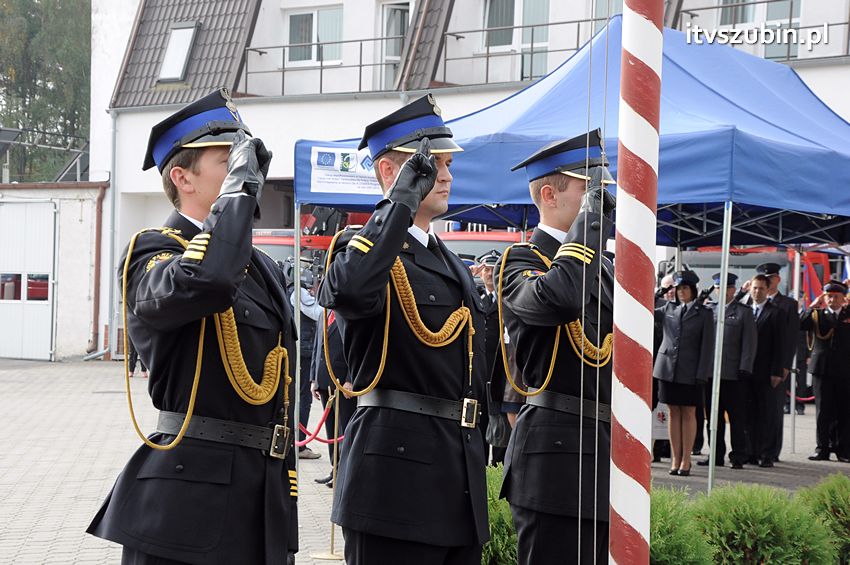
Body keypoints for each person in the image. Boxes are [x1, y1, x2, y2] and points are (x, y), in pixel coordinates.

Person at [87, 89, 298, 564]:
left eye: (246, 160)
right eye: (228, 159)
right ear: (181, 177)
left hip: (259, 495)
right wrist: (239, 193)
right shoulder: (152, 251)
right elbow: (209, 279)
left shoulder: (260, 265)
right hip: (188, 502)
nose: (245, 171)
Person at [317, 94, 489, 564]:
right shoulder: (360, 246)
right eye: (434, 164)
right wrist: (398, 205)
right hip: (395, 484)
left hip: (457, 479)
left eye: (449, 164)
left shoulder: (449, 260)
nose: (448, 175)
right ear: (393, 173)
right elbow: (348, 291)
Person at [497, 129, 615, 564]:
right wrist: (587, 229)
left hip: (604, 452)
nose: (603, 201)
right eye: (591, 191)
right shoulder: (523, 261)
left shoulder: (602, 266)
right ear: (550, 193)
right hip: (554, 461)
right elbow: (560, 298)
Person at [654, 270, 714, 476]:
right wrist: (660, 291)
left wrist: (702, 374)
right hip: (668, 369)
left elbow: (707, 347)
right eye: (678, 288)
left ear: (693, 290)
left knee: (688, 413)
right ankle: (675, 458)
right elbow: (648, 306)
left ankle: (686, 460)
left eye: (685, 288)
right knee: (673, 412)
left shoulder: (704, 313)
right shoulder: (668, 307)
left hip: (691, 371)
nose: (681, 292)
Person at [697, 273, 756, 469]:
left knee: (737, 418)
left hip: (734, 374)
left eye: (728, 288)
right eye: (719, 288)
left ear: (733, 289)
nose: (723, 291)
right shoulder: (708, 310)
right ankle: (716, 455)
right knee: (713, 418)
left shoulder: (743, 312)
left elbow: (749, 342)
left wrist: (745, 368)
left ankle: (738, 455)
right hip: (711, 374)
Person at [800, 280, 850, 463]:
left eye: (836, 296)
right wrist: (812, 305)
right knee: (823, 411)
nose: (832, 299)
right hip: (822, 369)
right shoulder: (816, 315)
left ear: (843, 297)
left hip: (845, 369)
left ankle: (843, 449)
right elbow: (799, 323)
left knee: (844, 410)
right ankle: (822, 448)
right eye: (829, 296)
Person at [310, 304, 356, 486]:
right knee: (331, 431)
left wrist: (351, 378)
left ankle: (344, 473)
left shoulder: (349, 311)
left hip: (342, 382)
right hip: (324, 379)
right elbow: (317, 345)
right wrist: (314, 378)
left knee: (343, 430)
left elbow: (355, 346)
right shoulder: (325, 313)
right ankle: (334, 468)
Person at [742, 274, 785, 467]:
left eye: (761, 288)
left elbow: (780, 345)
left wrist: (777, 371)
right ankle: (751, 452)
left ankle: (767, 454)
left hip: (767, 372)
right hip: (746, 371)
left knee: (767, 414)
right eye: (754, 288)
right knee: (749, 413)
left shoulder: (776, 312)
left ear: (768, 291)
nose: (757, 292)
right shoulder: (744, 310)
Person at [474, 250, 511, 465]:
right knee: (479, 423)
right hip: (480, 372)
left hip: (501, 373)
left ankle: (497, 470)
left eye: (493, 269)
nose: (489, 274)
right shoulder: (476, 299)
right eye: (486, 269)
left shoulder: (507, 299)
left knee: (500, 430)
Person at [291, 265, 322, 460]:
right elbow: (318, 313)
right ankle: (300, 444)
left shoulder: (293, 291)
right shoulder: (299, 292)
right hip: (303, 351)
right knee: (303, 399)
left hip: (300, 350)